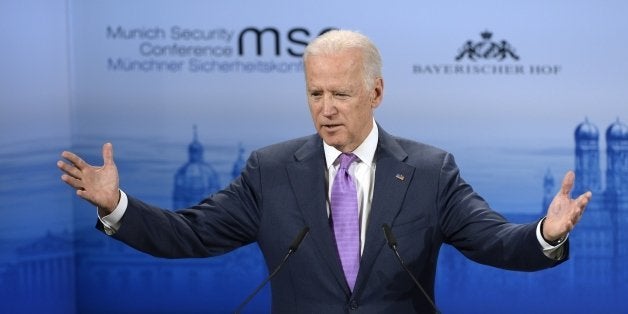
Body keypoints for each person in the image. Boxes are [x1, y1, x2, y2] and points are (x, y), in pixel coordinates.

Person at [57, 30, 591, 313]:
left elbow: (494, 242)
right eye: (316, 93)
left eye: (341, 93)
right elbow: (190, 235)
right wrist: (116, 206)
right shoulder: (269, 171)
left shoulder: (430, 171)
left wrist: (545, 234)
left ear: (376, 93)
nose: (326, 109)